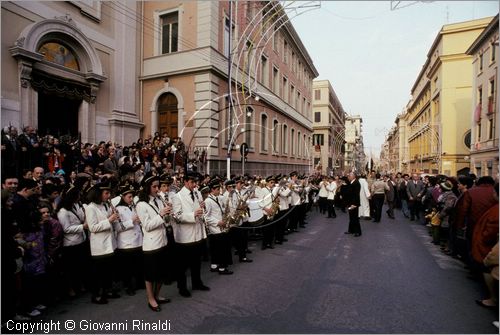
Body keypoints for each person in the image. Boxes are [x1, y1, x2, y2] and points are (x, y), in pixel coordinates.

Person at [171, 172, 210, 298]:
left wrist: (203, 208)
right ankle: (182, 287)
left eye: (196, 182)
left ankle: (197, 283)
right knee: (182, 265)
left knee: (196, 262)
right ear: (186, 182)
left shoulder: (197, 193)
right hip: (185, 236)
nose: (195, 185)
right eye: (192, 182)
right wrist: (193, 214)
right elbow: (177, 216)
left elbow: (201, 211)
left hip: (197, 233)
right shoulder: (177, 197)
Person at [136, 174, 171, 312]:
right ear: (147, 187)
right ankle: (151, 299)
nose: (157, 189)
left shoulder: (159, 199)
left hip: (163, 241)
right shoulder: (141, 204)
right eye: (154, 187)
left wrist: (168, 214)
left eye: (158, 186)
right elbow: (148, 226)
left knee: (162, 273)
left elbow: (165, 221)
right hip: (151, 245)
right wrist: (161, 214)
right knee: (151, 275)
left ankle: (157, 295)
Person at [85, 182, 119, 304]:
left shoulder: (106, 205)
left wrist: (115, 218)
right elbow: (93, 228)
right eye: (106, 193)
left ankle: (107, 290)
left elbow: (110, 222)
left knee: (108, 270)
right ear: (98, 194)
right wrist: (109, 220)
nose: (109, 196)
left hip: (110, 243)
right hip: (99, 245)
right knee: (99, 272)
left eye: (109, 193)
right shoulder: (90, 208)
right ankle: (96, 295)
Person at [56, 185, 89, 298]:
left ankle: (80, 285)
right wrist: (82, 227)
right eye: (78, 195)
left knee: (81, 266)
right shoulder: (63, 212)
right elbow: (66, 229)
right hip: (70, 244)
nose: (80, 197)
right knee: (71, 268)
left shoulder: (75, 206)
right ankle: (72, 288)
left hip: (81, 240)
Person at [114, 182, 143, 297]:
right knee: (128, 268)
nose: (131, 199)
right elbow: (117, 227)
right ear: (123, 197)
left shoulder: (134, 206)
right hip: (126, 243)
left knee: (138, 265)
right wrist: (132, 221)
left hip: (138, 241)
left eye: (132, 196)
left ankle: (140, 283)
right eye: (129, 197)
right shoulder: (118, 209)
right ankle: (128, 286)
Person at [205, 180, 233, 275]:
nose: (219, 191)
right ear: (212, 190)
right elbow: (206, 217)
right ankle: (222, 268)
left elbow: (220, 210)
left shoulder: (217, 198)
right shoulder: (208, 201)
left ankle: (214, 265)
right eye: (217, 189)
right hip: (216, 228)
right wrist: (218, 222)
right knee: (221, 249)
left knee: (216, 249)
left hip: (220, 227)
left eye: (219, 189)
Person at [344, 172, 362, 237]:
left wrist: (354, 204)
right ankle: (351, 230)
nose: (348, 177)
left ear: (353, 176)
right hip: (350, 203)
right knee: (351, 217)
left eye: (349, 176)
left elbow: (356, 195)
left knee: (355, 218)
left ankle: (358, 232)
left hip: (354, 204)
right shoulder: (351, 182)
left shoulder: (356, 183)